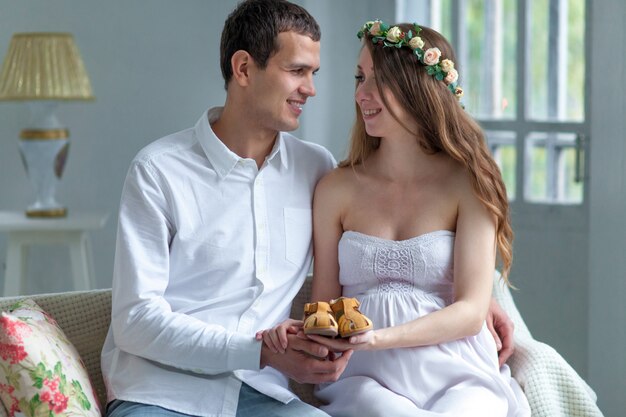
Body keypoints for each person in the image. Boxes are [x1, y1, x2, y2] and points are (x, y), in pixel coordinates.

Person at [101, 1, 516, 416]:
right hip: (161, 392)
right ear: (243, 69)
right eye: (297, 71)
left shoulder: (313, 169)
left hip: (262, 395)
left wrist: (472, 298)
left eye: (313, 74)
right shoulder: (159, 171)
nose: (312, 89)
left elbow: (397, 252)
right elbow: (136, 320)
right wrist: (258, 350)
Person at [260, 21, 530, 416]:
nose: (360, 94)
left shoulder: (469, 183)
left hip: (458, 370)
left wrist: (379, 337)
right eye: (359, 77)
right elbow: (324, 303)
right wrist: (302, 332)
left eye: (377, 79)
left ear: (416, 87)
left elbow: (472, 312)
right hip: (366, 379)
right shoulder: (336, 188)